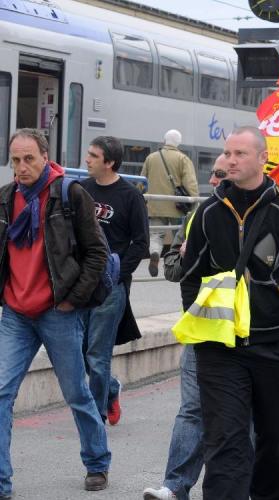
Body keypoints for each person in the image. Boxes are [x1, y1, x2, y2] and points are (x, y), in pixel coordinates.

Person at [182, 126, 279, 499]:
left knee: (277, 444)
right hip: (220, 351)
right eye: (227, 153)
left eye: (240, 154)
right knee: (225, 443)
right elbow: (190, 276)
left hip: (278, 346)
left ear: (263, 158)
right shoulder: (209, 212)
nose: (230, 160)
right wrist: (202, 331)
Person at [0, 129, 112, 496]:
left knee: (76, 393)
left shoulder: (70, 194)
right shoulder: (5, 198)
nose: (22, 167)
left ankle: (97, 462)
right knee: (0, 394)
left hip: (57, 311)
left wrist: (72, 300)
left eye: (29, 159)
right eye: (15, 160)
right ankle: (1, 481)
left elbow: (97, 253)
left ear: (45, 157)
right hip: (16, 314)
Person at [142, 155, 228, 500]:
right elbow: (173, 268)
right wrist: (188, 255)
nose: (215, 180)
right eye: (215, 174)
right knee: (192, 409)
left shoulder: (258, 217)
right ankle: (175, 487)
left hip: (245, 333)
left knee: (246, 414)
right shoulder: (198, 215)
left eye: (222, 174)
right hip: (201, 328)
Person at [80, 136, 149, 426]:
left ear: (109, 162)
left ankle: (95, 417)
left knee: (97, 353)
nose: (87, 159)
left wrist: (117, 273)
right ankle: (110, 388)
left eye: (93, 156)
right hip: (80, 283)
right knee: (79, 350)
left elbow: (141, 243)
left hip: (110, 287)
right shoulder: (81, 189)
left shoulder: (131, 196)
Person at [140, 129, 199, 277]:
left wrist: (140, 195)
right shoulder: (183, 159)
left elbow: (142, 181)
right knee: (178, 235)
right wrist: (195, 201)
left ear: (164, 140)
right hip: (177, 206)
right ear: (178, 142)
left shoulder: (151, 158)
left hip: (155, 206)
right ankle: (176, 265)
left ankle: (155, 254)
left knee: (156, 235)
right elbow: (190, 183)